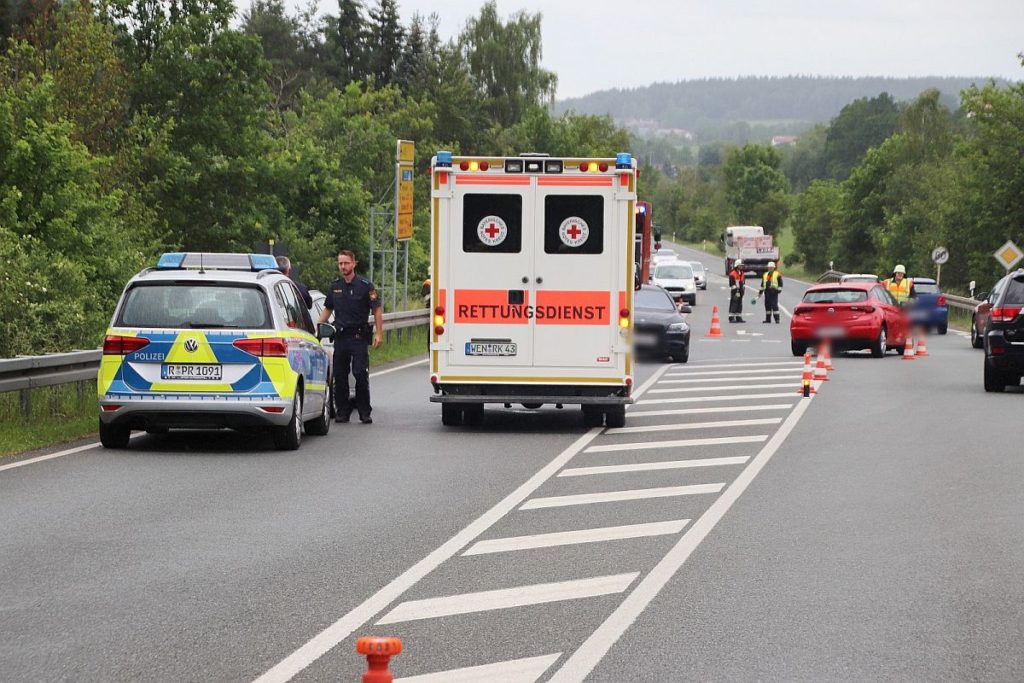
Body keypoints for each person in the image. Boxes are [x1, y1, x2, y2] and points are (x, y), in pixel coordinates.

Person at [318, 250, 383, 424]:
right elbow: (327, 309)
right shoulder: (335, 286)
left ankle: (364, 411)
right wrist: (317, 328)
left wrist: (379, 333)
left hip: (359, 337)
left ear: (354, 264)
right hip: (341, 337)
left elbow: (376, 309)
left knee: (360, 373)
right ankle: (343, 412)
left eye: (346, 263)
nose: (343, 266)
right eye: (340, 263)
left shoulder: (365, 285)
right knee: (340, 376)